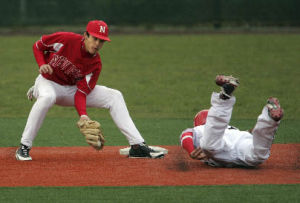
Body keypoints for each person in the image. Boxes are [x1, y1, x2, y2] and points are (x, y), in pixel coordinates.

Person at [16, 20, 164, 161]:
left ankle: (137, 146)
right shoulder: (66, 39)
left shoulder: (95, 64)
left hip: (72, 90)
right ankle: (24, 146)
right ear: (86, 35)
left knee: (115, 96)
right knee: (47, 97)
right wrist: (42, 63)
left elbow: (81, 93)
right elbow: (38, 46)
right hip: (48, 82)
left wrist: (83, 115)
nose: (98, 44)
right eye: (95, 38)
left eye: (102, 41)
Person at [180, 75, 284, 167]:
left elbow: (185, 134)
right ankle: (269, 120)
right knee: (257, 157)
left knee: (209, 146)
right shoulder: (232, 129)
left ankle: (223, 99)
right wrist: (258, 130)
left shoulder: (200, 129)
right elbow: (252, 133)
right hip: (240, 144)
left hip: (218, 148)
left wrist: (191, 151)